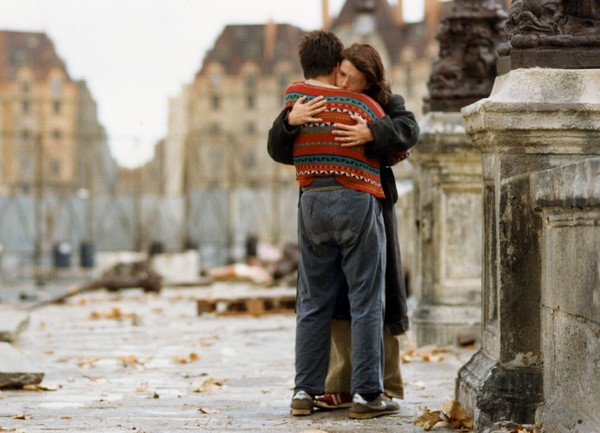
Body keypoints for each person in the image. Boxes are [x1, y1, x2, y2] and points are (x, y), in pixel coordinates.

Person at [267, 42, 419, 412]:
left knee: (317, 301)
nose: (343, 83)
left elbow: (407, 131)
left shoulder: (379, 105)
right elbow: (278, 144)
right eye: (342, 75)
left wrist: (373, 133)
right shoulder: (324, 106)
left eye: (351, 78)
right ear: (336, 66)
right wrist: (289, 121)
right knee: (364, 300)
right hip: (358, 202)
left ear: (370, 79)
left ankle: (306, 391)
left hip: (328, 202)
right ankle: (365, 392)